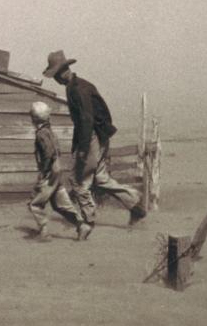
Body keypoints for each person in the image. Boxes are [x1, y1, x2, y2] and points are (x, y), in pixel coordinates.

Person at [42, 51, 148, 228]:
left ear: (63, 71)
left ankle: (88, 221)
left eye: (56, 75)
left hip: (92, 136)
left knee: (78, 181)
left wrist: (82, 150)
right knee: (100, 179)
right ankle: (135, 205)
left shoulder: (79, 89)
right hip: (96, 136)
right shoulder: (75, 86)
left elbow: (86, 120)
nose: (56, 79)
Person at [27, 101, 92, 241]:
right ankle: (81, 225)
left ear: (33, 118)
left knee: (35, 203)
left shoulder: (41, 134)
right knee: (60, 204)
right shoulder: (50, 132)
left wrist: (43, 172)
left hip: (50, 172)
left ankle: (44, 232)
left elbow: (48, 153)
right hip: (57, 171)